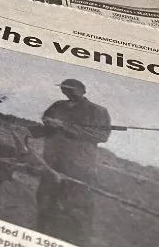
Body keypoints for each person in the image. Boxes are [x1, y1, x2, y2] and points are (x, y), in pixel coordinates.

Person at [35, 79, 111, 246]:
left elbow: (101, 136)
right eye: (64, 88)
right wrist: (50, 123)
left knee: (74, 204)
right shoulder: (58, 105)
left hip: (79, 164)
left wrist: (66, 128)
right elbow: (46, 119)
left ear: (83, 90)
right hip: (52, 159)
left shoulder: (98, 111)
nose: (67, 91)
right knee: (45, 198)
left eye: (72, 89)